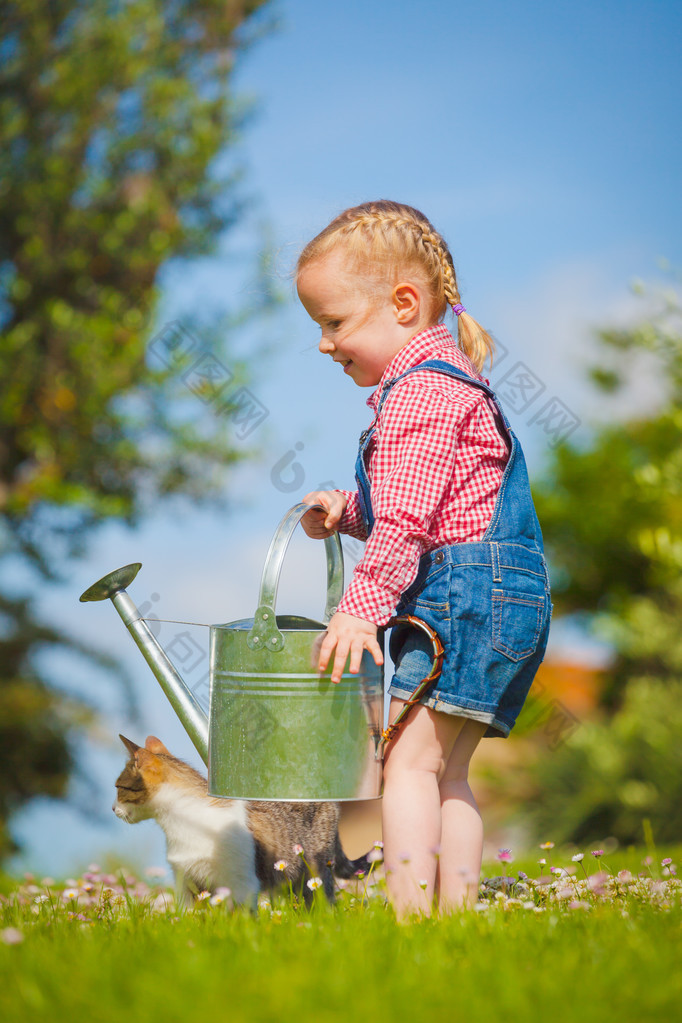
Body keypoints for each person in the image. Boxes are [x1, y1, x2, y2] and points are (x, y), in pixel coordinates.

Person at [297, 200, 552, 918]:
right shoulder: (447, 381)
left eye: (334, 322)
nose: (323, 344)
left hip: (461, 593)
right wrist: (349, 512)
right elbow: (426, 502)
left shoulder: (421, 391)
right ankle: (454, 917)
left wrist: (359, 608)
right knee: (448, 773)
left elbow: (409, 519)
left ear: (404, 304)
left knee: (403, 763)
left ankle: (409, 921)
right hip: (501, 592)